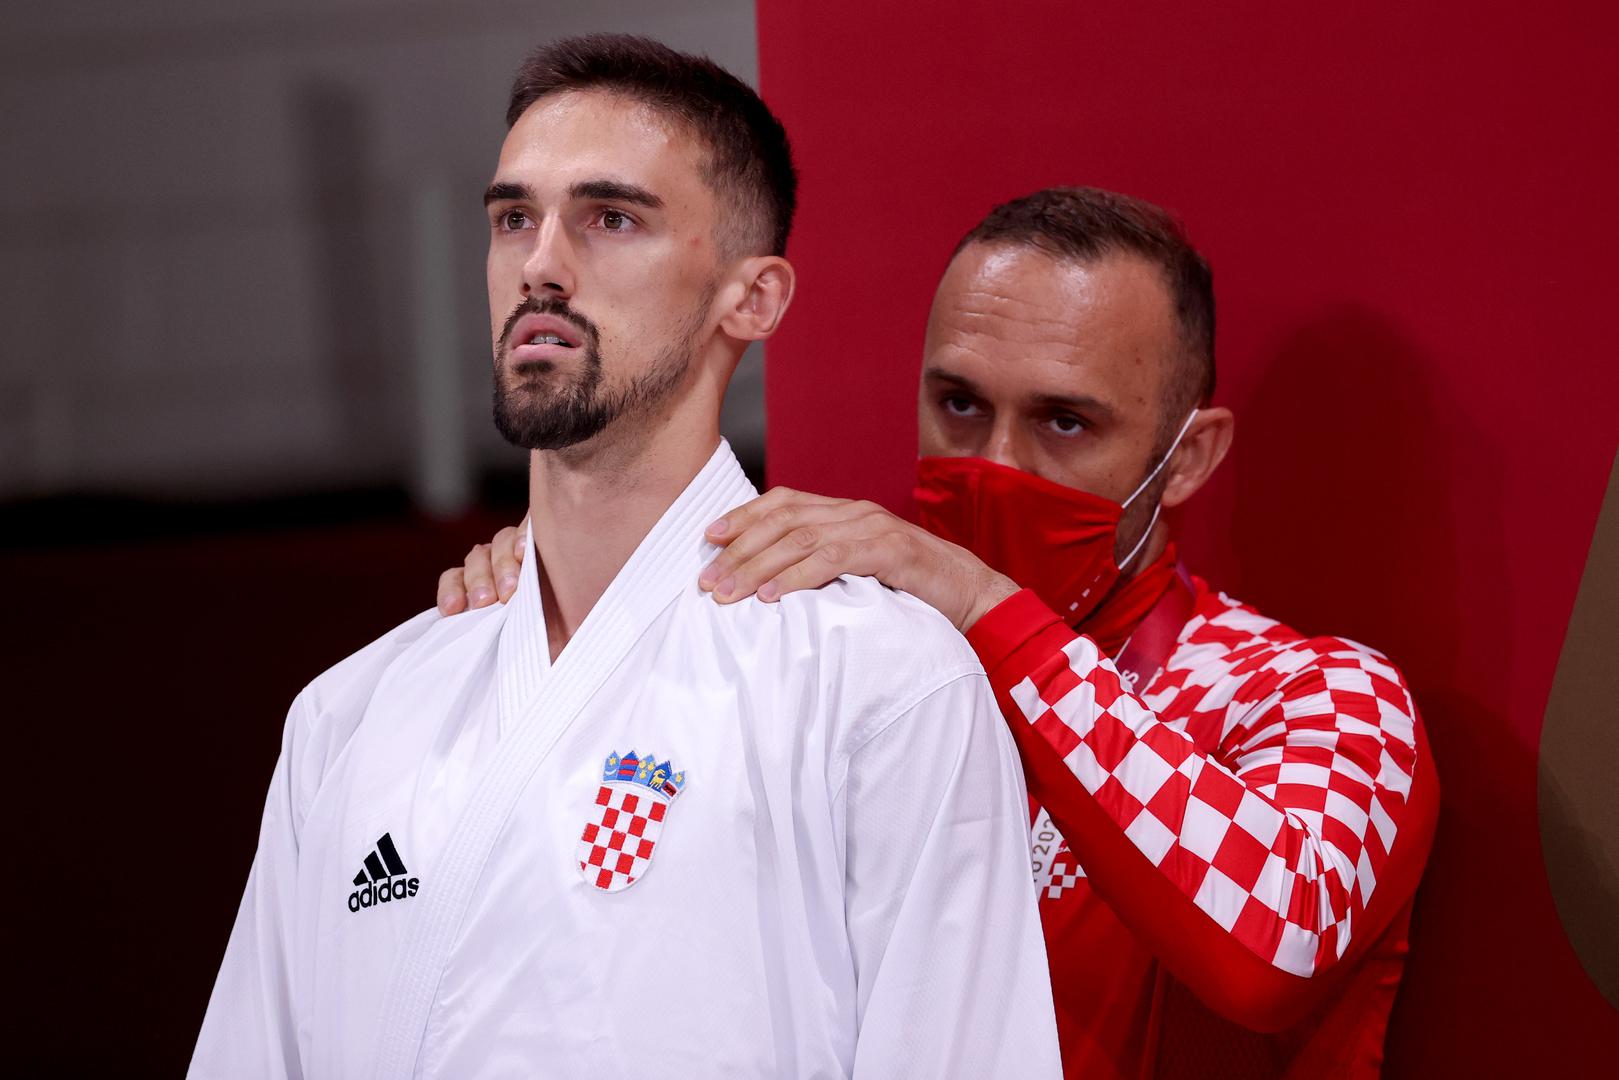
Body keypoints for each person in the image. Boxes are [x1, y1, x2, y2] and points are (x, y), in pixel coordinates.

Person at [192, 35, 1061, 1079]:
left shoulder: (877, 683)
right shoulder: (353, 713)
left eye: (610, 218)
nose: (541, 265)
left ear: (753, 298)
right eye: (514, 218)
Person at [443, 187, 1439, 1078]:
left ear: (1185, 459)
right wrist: (558, 613)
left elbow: (1274, 948)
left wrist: (979, 603)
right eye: (958, 405)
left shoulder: (1315, 695)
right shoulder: (840, 665)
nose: (992, 464)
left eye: (1063, 422)